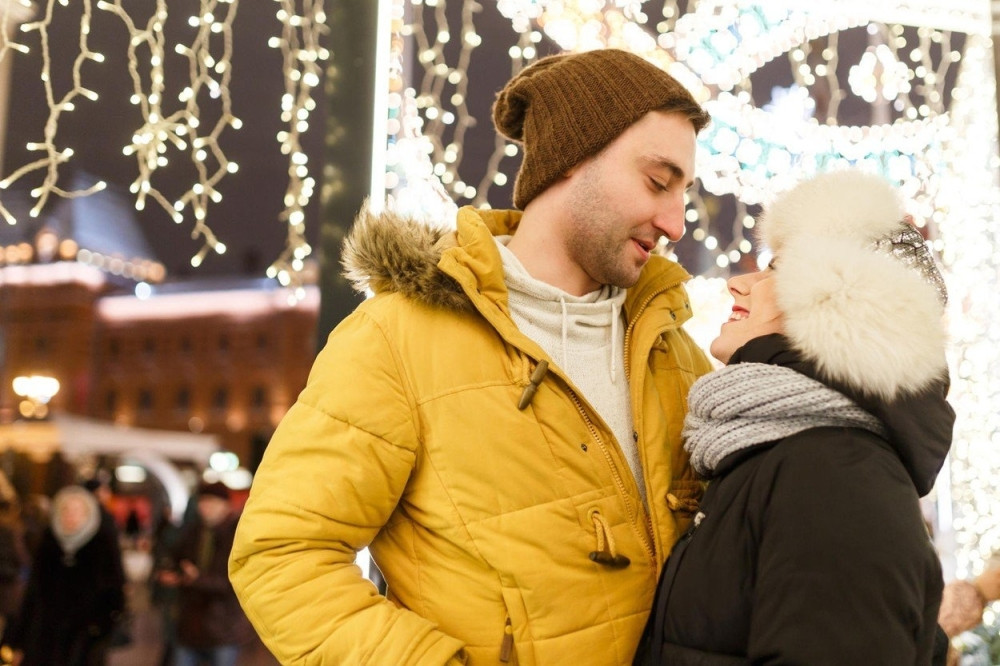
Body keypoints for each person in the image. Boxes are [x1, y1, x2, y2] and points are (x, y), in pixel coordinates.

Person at [230, 48, 714, 665]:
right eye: (657, 182)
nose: (675, 223)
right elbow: (281, 554)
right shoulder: (397, 339)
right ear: (573, 157)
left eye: (684, 193)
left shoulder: (677, 353)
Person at [634, 169, 954, 665]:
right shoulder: (784, 448)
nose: (739, 283)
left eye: (778, 269)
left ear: (842, 301)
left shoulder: (833, 471)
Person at [6, 484, 126, 666]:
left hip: (83, 642)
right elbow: (31, 596)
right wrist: (18, 641)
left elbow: (114, 594)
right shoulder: (47, 544)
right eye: (66, 510)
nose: (71, 516)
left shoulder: (102, 546)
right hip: (42, 639)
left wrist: (98, 630)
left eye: (77, 511)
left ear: (88, 515)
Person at [159, 481, 252, 666]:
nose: (206, 508)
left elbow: (234, 582)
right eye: (203, 502)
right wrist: (173, 574)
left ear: (226, 505)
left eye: (212, 502)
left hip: (224, 628)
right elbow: (176, 559)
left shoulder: (238, 534)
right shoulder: (193, 531)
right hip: (189, 626)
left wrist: (197, 579)